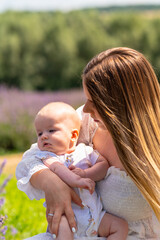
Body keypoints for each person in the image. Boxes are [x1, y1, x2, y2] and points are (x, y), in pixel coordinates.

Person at [16, 47, 160, 239]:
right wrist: (52, 182)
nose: (87, 108)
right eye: (87, 99)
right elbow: (31, 160)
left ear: (121, 103)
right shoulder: (87, 123)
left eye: (95, 101)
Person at [25, 101, 129, 240]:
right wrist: (77, 180)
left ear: (73, 136)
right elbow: (58, 168)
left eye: (51, 131)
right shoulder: (47, 157)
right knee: (62, 231)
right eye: (39, 133)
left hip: (94, 216)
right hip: (67, 217)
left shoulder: (85, 151)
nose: (43, 136)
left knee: (120, 227)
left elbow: (103, 165)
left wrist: (87, 174)